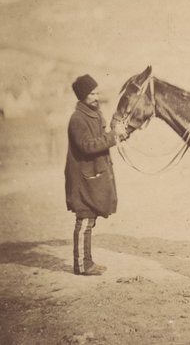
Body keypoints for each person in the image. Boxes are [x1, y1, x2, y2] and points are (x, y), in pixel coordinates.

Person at [65, 74, 127, 276]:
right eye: (92, 93)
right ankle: (81, 266)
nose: (96, 96)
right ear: (82, 95)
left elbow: (102, 137)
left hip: (94, 175)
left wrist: (117, 133)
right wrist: (112, 138)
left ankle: (88, 262)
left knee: (89, 221)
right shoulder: (77, 119)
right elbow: (87, 146)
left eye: (97, 92)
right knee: (84, 220)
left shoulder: (95, 114)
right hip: (83, 178)